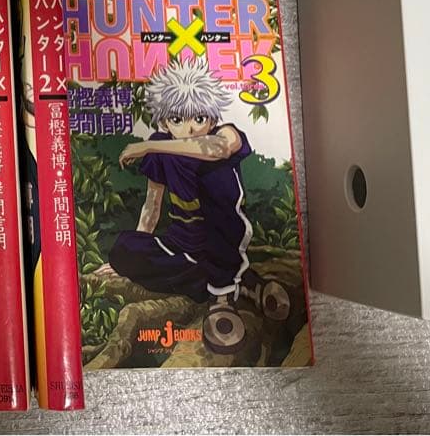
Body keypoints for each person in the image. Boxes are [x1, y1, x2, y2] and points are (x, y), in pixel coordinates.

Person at [98, 58, 291, 354]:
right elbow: (152, 206)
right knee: (124, 248)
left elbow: (217, 149)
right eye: (177, 120)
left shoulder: (226, 134)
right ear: (164, 122)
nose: (189, 128)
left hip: (222, 239)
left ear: (212, 119)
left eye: (199, 118)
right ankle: (244, 283)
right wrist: (129, 256)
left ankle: (222, 295)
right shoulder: (162, 147)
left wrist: (148, 146)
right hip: (181, 246)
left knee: (216, 181)